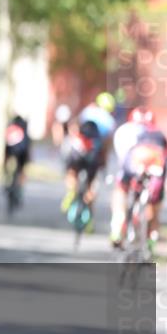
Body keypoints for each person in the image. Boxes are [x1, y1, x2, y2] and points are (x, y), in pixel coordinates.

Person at [109, 107, 167, 254]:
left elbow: (122, 157)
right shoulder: (160, 134)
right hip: (157, 166)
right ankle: (151, 240)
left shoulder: (126, 130)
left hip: (135, 161)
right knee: (155, 204)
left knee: (121, 189)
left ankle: (118, 225)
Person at [60, 91, 116, 231]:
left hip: (79, 150)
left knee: (72, 171)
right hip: (94, 155)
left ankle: (71, 191)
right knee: (91, 187)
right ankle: (89, 221)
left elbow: (75, 126)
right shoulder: (110, 121)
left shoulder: (88, 111)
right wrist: (104, 163)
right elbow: (107, 145)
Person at [4, 113, 31, 195]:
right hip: (22, 152)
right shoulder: (24, 128)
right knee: (21, 170)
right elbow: (28, 143)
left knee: (10, 168)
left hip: (12, 151)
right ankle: (19, 188)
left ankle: (8, 181)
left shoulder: (11, 126)